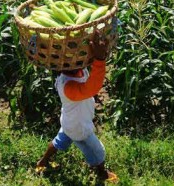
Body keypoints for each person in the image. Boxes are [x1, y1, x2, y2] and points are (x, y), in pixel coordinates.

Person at [36, 31, 118, 183]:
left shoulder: (75, 71)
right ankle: (102, 172)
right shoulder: (69, 88)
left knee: (59, 141)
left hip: (69, 121)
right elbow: (91, 88)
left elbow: (86, 67)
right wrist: (100, 60)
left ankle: (42, 161)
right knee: (97, 151)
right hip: (79, 126)